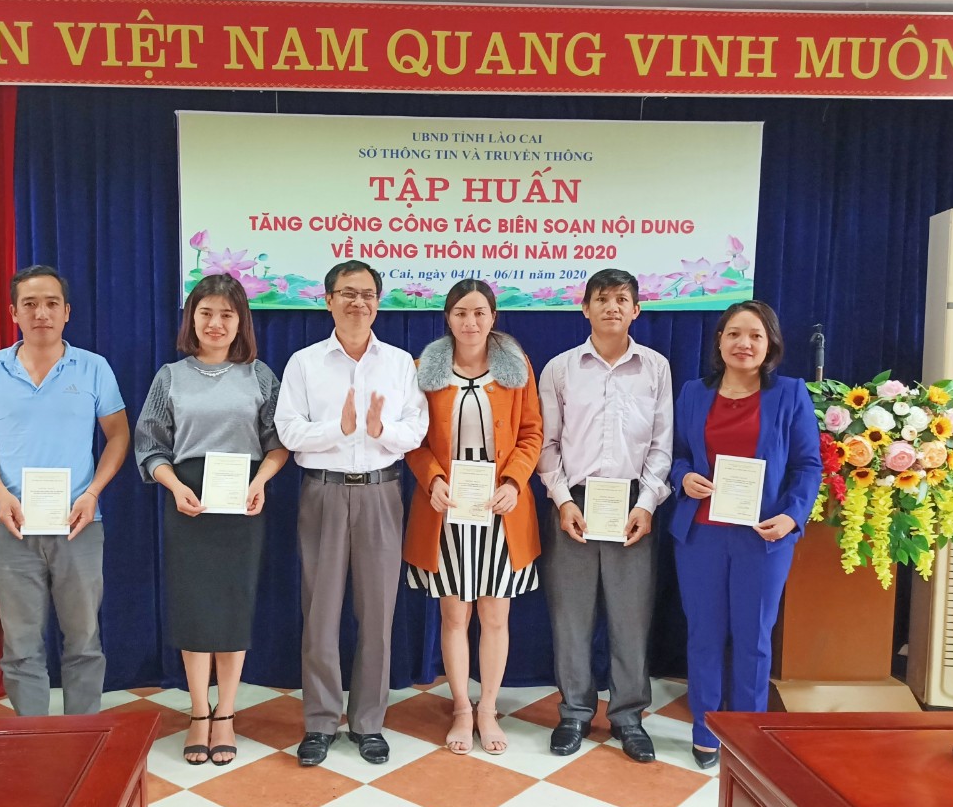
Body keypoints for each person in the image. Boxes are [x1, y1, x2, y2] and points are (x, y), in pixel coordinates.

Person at [275, 260, 429, 767]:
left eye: (367, 294)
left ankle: (368, 723)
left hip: (381, 494)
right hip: (323, 492)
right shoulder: (304, 363)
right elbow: (288, 431)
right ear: (328, 301)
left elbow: (417, 430)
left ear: (378, 303)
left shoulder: (400, 363)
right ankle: (320, 722)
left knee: (378, 615)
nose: (358, 302)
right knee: (320, 613)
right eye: (347, 293)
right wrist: (337, 430)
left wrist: (381, 430)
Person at [134, 274, 287, 766]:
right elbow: (150, 445)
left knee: (234, 606)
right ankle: (199, 712)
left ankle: (226, 713)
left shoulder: (260, 376)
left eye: (226, 314)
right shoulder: (170, 377)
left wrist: (260, 481)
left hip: (243, 501)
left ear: (241, 321)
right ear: (191, 319)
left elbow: (279, 442)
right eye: (206, 313)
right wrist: (174, 486)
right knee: (195, 608)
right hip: (189, 502)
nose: (216, 323)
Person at [0, 264, 130, 717]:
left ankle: (81, 736)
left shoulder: (93, 367)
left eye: (51, 303)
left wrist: (93, 492)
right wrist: (0, 493)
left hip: (78, 523)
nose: (41, 313)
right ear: (13, 312)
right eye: (30, 304)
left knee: (84, 641)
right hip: (11, 525)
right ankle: (32, 740)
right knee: (20, 645)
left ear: (67, 312)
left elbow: (118, 435)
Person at [670, 300, 822, 769]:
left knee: (753, 638)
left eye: (756, 335)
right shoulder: (694, 393)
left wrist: (793, 516)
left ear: (770, 344)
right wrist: (683, 478)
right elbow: (677, 454)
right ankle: (706, 730)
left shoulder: (790, 394)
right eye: (734, 333)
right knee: (704, 636)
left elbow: (808, 465)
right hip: (701, 535)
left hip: (763, 536)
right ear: (719, 340)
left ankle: (749, 733)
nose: (744, 343)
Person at [537, 268, 672, 763]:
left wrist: (647, 504)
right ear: (585, 308)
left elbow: (661, 444)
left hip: (633, 505)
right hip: (572, 503)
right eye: (601, 299)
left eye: (621, 299)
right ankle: (574, 712)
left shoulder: (655, 367)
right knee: (570, 617)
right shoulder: (560, 369)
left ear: (636, 309)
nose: (611, 307)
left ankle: (628, 716)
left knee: (630, 618)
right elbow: (547, 444)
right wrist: (562, 500)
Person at [403, 279, 542, 755]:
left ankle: (489, 709)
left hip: (500, 510)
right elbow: (414, 441)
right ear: (448, 317)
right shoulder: (424, 370)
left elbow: (532, 434)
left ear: (493, 317)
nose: (471, 321)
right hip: (447, 511)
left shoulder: (517, 367)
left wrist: (514, 482)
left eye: (480, 312)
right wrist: (433, 479)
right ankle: (462, 707)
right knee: (454, 615)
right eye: (461, 312)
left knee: (495, 615)